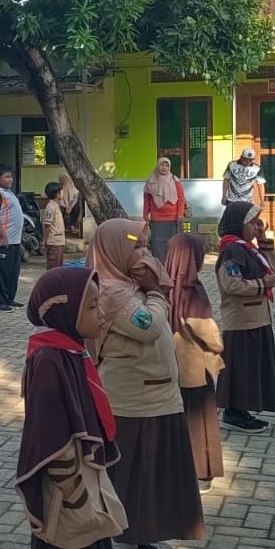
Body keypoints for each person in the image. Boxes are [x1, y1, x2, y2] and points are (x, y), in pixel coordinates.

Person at [86, 219, 205, 548]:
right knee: (134, 475)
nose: (144, 254)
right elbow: (148, 326)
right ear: (114, 250)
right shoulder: (110, 291)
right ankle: (125, 537)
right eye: (135, 246)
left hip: (158, 396)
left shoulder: (129, 285)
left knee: (153, 476)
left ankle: (143, 535)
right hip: (134, 402)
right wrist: (156, 293)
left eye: (145, 245)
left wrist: (152, 289)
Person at [16, 267, 128, 549]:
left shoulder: (71, 350)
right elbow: (49, 435)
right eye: (91, 306)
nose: (101, 313)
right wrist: (74, 494)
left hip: (86, 479)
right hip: (70, 491)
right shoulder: (49, 360)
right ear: (64, 312)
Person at [164, 233, 224, 493]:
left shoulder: (161, 288)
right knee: (199, 423)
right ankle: (199, 473)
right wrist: (219, 344)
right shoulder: (193, 290)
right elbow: (207, 333)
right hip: (196, 368)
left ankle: (173, 469)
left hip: (170, 366)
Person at [214, 201, 275, 432]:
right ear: (238, 224)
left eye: (258, 223)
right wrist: (262, 284)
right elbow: (231, 284)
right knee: (240, 368)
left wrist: (264, 242)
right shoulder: (231, 249)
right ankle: (233, 413)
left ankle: (244, 409)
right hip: (241, 320)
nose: (256, 227)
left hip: (257, 317)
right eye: (252, 223)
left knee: (252, 367)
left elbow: (271, 270)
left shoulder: (249, 248)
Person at [0, 164, 23, 312]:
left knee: (12, 271)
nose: (10, 180)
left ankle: (9, 298)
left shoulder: (8, 192)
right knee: (1, 272)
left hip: (14, 240)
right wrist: (2, 235)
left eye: (11, 176)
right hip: (1, 241)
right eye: (6, 177)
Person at [143, 157, 185, 263]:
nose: (164, 167)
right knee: (157, 245)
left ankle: (171, 265)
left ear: (169, 167)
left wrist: (180, 214)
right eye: (162, 165)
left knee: (172, 244)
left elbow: (181, 198)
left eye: (166, 166)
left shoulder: (175, 181)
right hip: (157, 219)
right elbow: (147, 199)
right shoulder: (151, 181)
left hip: (172, 218)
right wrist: (145, 214)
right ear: (158, 166)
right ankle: (158, 266)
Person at [43, 182, 66, 270]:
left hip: (59, 241)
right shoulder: (51, 207)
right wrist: (45, 241)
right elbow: (47, 226)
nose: (63, 192)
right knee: (53, 267)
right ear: (57, 194)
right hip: (53, 242)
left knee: (59, 267)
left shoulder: (56, 206)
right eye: (61, 191)